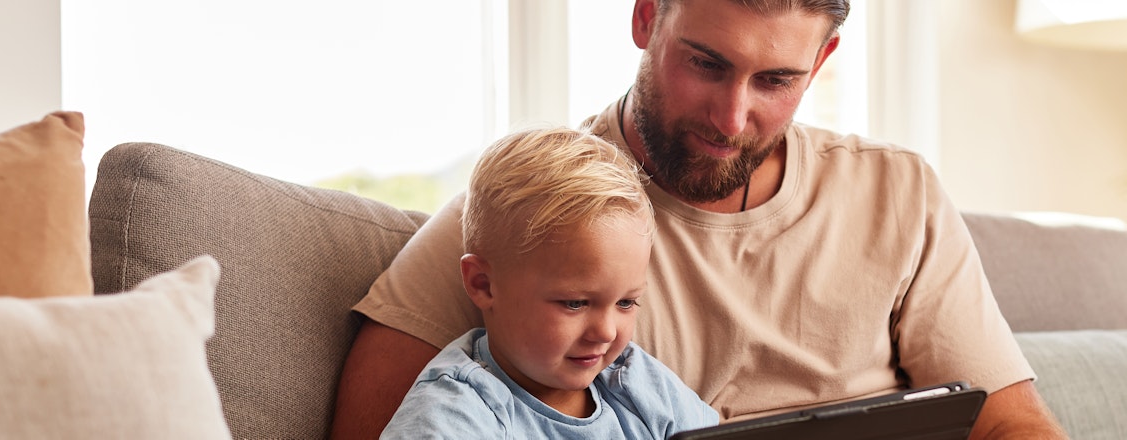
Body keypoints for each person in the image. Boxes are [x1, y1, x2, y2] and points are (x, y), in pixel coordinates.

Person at [334, 0, 1067, 438]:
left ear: (821, 63)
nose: (731, 117)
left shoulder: (895, 192)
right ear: (647, 16)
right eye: (706, 63)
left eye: (776, 80)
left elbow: (1008, 424)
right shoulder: (531, 212)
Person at [380, 127, 718, 439]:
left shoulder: (632, 378)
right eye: (575, 303)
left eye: (626, 303)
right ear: (483, 284)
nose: (607, 332)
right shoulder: (457, 412)